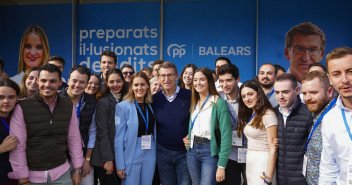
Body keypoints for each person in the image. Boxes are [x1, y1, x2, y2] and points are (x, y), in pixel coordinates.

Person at [8, 64, 84, 185]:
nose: (47, 85)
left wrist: (78, 170)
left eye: (52, 81)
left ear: (60, 82)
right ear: (38, 81)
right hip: (32, 176)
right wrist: (23, 179)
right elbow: (18, 147)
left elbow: (74, 139)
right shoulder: (22, 107)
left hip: (61, 173)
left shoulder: (68, 106)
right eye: (43, 80)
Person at [183, 67, 232, 185]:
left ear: (209, 81)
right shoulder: (194, 101)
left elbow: (226, 135)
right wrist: (188, 137)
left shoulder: (218, 103)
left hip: (209, 151)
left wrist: (221, 165)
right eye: (195, 80)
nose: (197, 83)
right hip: (192, 151)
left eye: (202, 79)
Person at [151, 62, 192, 185]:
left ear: (177, 76)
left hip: (184, 153)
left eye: (170, 75)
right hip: (163, 153)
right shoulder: (154, 99)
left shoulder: (189, 96)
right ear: (158, 78)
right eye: (163, 75)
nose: (166, 79)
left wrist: (192, 134)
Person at [114, 72, 156, 185]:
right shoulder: (122, 106)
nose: (139, 88)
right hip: (132, 150)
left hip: (150, 150)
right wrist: (120, 165)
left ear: (147, 86)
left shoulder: (151, 105)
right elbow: (118, 139)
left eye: (142, 84)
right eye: (136, 85)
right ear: (131, 87)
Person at [319, 47, 352, 184]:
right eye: (336, 74)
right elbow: (329, 169)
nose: (344, 80)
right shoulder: (329, 119)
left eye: (350, 72)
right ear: (330, 79)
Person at [60, 65, 97, 185]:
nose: (77, 85)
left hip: (83, 157)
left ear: (86, 84)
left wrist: (87, 159)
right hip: (60, 159)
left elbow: (92, 132)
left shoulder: (91, 101)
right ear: (68, 80)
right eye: (74, 81)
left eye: (82, 82)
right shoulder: (57, 99)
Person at [273, 73, 313, 185]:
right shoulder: (273, 114)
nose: (280, 96)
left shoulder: (309, 114)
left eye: (285, 92)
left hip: (301, 180)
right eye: (277, 92)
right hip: (279, 179)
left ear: (297, 90)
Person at [91, 68, 128, 185]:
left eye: (118, 81)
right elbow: (102, 132)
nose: (115, 85)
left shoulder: (128, 99)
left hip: (123, 154)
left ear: (123, 81)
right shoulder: (103, 102)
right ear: (106, 83)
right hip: (107, 156)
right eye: (111, 82)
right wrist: (107, 159)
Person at [238, 80, 278, 185]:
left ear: (259, 94)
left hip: (263, 162)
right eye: (243, 96)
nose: (247, 99)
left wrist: (268, 177)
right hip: (251, 161)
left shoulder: (268, 114)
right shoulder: (253, 113)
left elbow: (273, 148)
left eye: (250, 94)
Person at [301, 71, 335, 185]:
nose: (307, 98)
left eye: (313, 92)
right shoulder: (316, 113)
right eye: (304, 93)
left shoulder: (335, 118)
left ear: (329, 92)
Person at [217, 64, 247, 185]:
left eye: (229, 80)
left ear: (237, 79)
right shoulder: (218, 101)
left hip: (250, 152)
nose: (225, 84)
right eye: (221, 81)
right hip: (228, 154)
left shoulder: (248, 97)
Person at [0, 79, 19, 185]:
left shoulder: (20, 118)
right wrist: (1, 148)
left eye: (11, 97)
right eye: (1, 97)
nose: (6, 101)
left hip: (18, 178)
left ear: (17, 98)